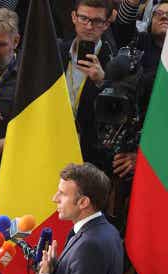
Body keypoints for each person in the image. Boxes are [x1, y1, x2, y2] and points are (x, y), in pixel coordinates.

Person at [37, 163, 123, 274]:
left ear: (83, 202)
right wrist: (57, 268)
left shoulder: (90, 245)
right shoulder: (106, 231)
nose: (55, 198)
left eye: (62, 194)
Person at [59, 0, 115, 173]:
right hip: (54, 136)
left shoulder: (113, 61)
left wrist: (102, 82)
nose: (89, 26)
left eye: (97, 21)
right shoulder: (57, 51)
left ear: (106, 24)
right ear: (74, 17)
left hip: (89, 152)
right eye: (84, 18)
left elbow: (115, 114)